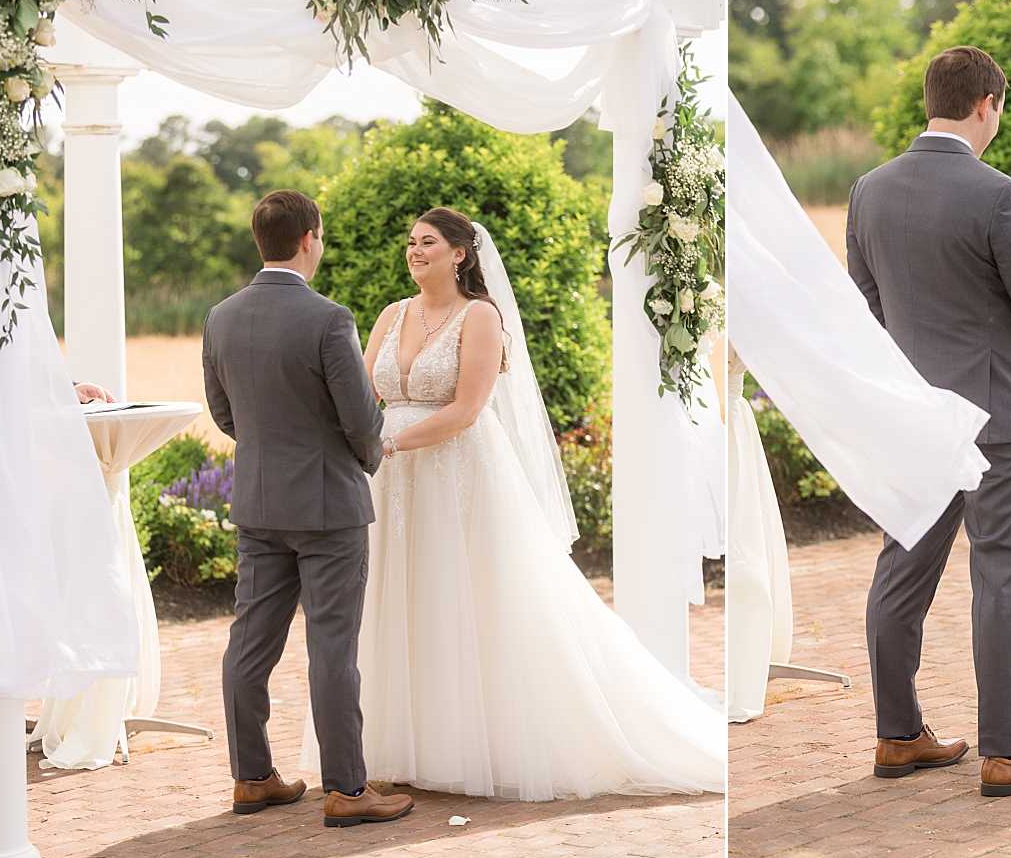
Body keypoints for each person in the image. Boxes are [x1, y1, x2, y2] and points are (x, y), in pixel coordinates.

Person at [302, 206, 724, 801]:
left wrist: (389, 440)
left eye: (427, 242)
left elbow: (467, 409)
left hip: (455, 474)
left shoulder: (481, 317)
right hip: (390, 483)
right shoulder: (391, 315)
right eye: (411, 242)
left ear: (460, 254)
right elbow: (361, 394)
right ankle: (397, 745)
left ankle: (470, 743)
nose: (414, 250)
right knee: (396, 602)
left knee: (462, 600)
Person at [845, 46, 1011, 795]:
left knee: (902, 568)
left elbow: (869, 302)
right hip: (998, 420)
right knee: (1003, 574)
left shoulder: (868, 189)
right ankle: (1009, 752)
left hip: (917, 417)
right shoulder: (1000, 194)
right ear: (988, 103)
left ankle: (896, 736)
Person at [203, 190, 414, 828]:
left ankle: (251, 779)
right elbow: (359, 419)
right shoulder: (329, 318)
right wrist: (368, 456)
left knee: (249, 643)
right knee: (331, 649)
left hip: (259, 504)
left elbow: (223, 413)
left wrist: (272, 451)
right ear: (309, 239)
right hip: (328, 507)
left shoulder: (220, 317)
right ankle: (347, 791)